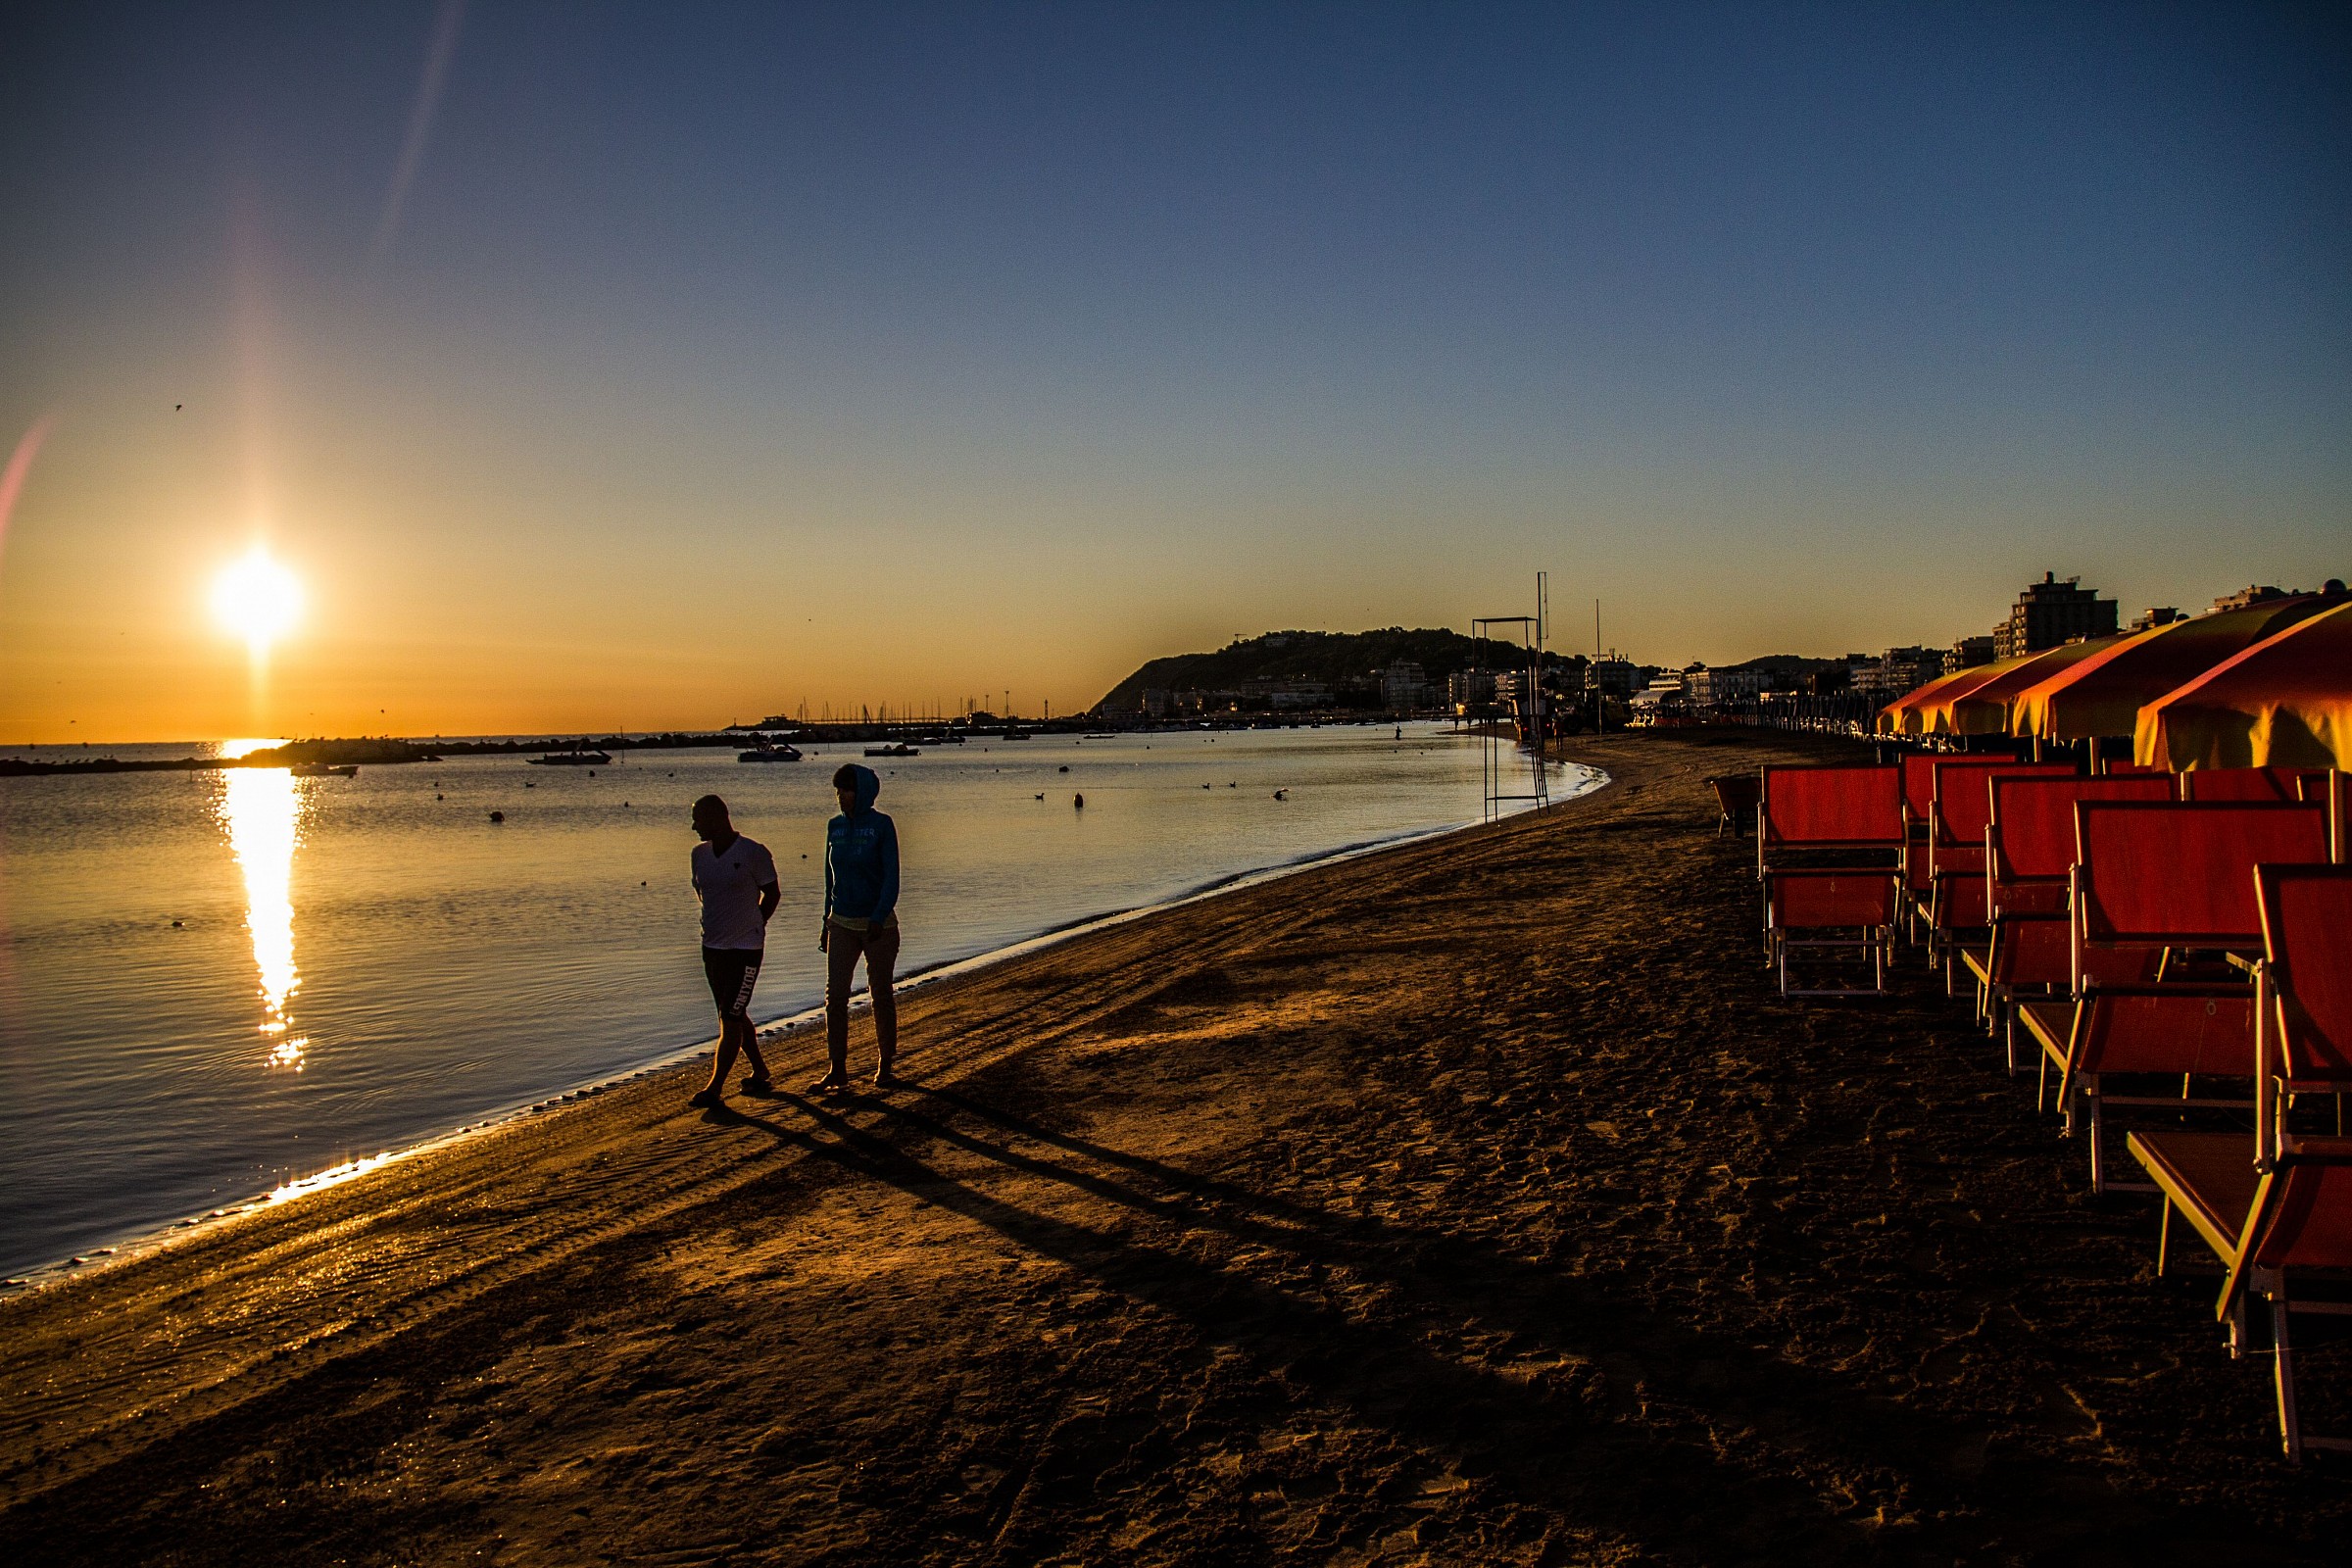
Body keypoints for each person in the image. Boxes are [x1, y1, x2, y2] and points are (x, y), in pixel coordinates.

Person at [687, 794, 779, 1108]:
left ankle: (714, 1089)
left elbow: (772, 893)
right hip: (712, 948)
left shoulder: (753, 853)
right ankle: (760, 1070)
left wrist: (757, 923)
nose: (694, 826)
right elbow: (704, 895)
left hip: (746, 949)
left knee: (731, 1016)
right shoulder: (698, 855)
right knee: (732, 1015)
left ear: (718, 817)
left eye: (698, 820)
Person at [818, 762, 900, 1092]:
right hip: (841, 922)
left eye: (846, 790)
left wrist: (879, 916)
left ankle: (886, 1064)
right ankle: (838, 1068)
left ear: (862, 791)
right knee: (835, 998)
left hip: (877, 925)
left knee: (880, 994)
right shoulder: (834, 827)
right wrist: (826, 920)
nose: (841, 797)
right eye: (838, 791)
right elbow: (829, 878)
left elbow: (891, 877)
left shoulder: (882, 826)